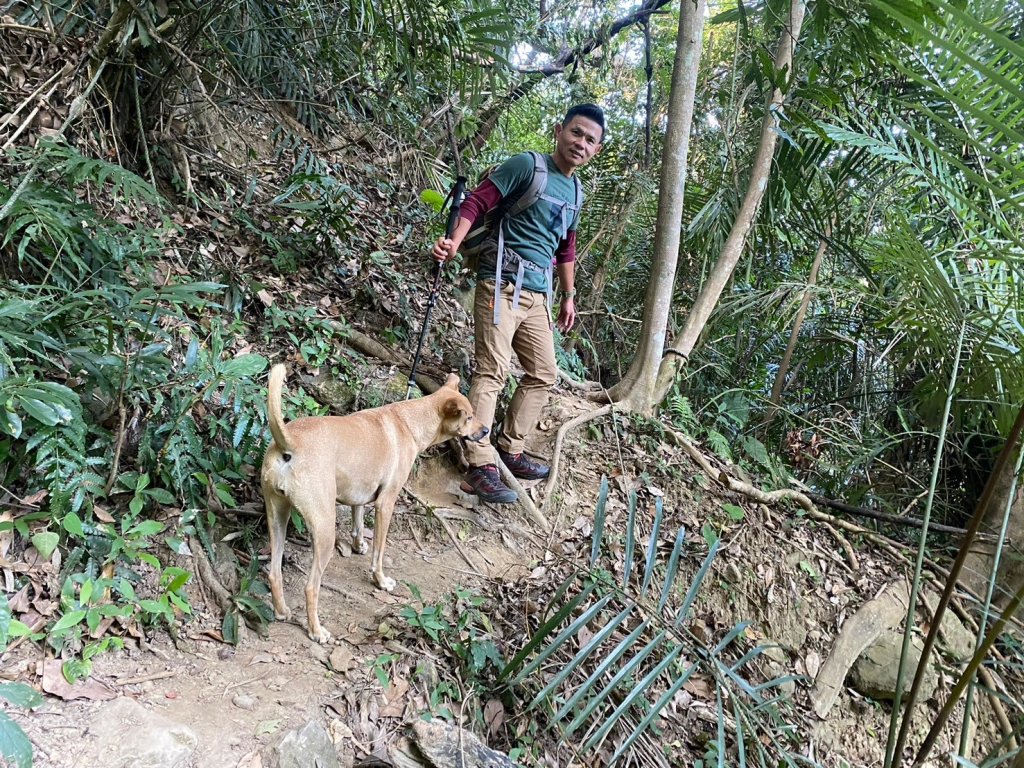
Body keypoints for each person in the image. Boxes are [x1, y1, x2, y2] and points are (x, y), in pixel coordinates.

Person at [432, 103, 604, 503]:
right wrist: (453, 243)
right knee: (492, 370)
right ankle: (479, 465)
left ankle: (509, 449)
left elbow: (566, 248)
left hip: (538, 294)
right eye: (576, 133)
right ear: (559, 131)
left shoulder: (577, 192)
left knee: (544, 373)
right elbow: (477, 202)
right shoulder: (528, 166)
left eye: (590, 140)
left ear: (596, 149)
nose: (581, 143)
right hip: (501, 281)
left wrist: (568, 297)